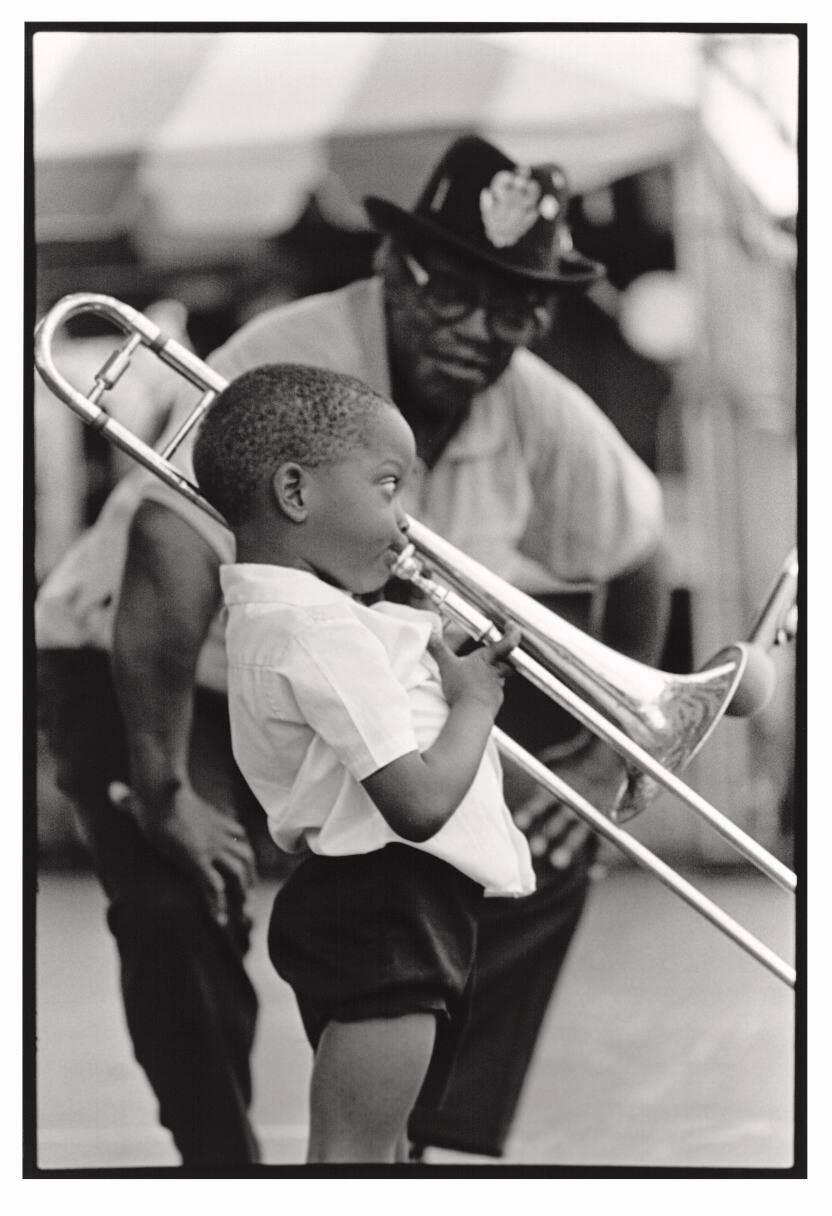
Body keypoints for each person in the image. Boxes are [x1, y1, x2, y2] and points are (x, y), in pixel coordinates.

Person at [37, 133, 669, 1163]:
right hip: (162, 665)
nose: (478, 328)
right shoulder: (291, 360)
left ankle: (420, 1145)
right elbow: (165, 549)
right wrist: (163, 786)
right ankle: (220, 1164)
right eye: (452, 291)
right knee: (174, 894)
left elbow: (639, 549)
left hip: (338, 693)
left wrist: (600, 765)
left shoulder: (540, 407)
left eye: (513, 307)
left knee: (535, 850)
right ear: (392, 270)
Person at [191, 361, 534, 1162]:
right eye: (388, 487)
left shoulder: (289, 617)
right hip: (392, 911)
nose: (405, 522)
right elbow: (417, 803)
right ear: (297, 494)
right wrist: (478, 704)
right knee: (355, 1161)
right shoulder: (321, 632)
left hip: (380, 908)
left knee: (374, 1155)